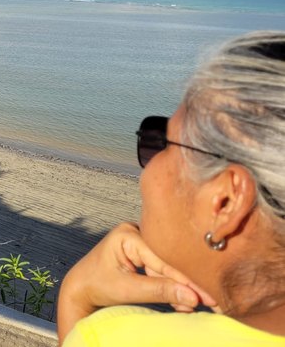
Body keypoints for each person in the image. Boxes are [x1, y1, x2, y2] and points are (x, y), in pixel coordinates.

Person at [57, 31, 285, 346]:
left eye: (164, 144)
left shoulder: (120, 339)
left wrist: (77, 293)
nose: (149, 165)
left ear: (226, 202)